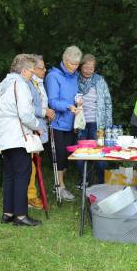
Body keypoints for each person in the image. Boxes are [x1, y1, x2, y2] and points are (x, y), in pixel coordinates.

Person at [0, 54, 43, 227]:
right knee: (22, 174)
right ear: (24, 71)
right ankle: (21, 215)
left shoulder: (4, 84)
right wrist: (37, 125)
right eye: (31, 71)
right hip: (17, 136)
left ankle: (8, 213)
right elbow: (25, 114)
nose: (33, 75)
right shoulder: (21, 85)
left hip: (4, 136)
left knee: (9, 175)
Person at [45, 45, 83, 201]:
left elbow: (73, 94)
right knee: (59, 155)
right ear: (64, 60)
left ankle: (60, 185)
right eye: (72, 64)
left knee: (67, 155)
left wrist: (78, 101)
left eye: (77, 64)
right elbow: (52, 102)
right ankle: (60, 187)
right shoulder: (53, 76)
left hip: (71, 122)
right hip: (57, 123)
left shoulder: (74, 76)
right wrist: (68, 106)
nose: (75, 67)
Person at [76, 54, 112, 186]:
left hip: (98, 124)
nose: (88, 71)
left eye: (91, 68)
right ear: (81, 67)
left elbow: (108, 103)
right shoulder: (75, 79)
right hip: (81, 124)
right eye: (85, 67)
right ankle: (85, 180)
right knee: (80, 154)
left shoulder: (100, 81)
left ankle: (102, 181)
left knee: (100, 154)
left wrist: (108, 124)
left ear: (94, 68)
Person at [26, 54, 55, 210]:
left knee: (35, 162)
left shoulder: (39, 83)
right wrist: (45, 112)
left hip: (39, 128)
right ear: (33, 68)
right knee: (29, 164)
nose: (45, 70)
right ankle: (30, 196)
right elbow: (28, 108)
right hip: (31, 129)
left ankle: (31, 193)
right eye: (41, 67)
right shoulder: (28, 83)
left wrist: (47, 114)